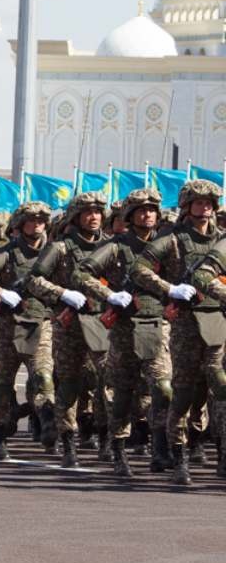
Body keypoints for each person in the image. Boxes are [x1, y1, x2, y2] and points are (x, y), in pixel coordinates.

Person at [72, 189, 167, 477]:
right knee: (121, 394)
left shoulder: (168, 245)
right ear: (129, 215)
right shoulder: (116, 247)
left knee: (163, 389)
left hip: (158, 326)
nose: (147, 214)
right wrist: (109, 295)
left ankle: (161, 446)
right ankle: (119, 449)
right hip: (125, 328)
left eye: (152, 209)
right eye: (140, 210)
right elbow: (82, 273)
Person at [137, 179, 226, 485]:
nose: (205, 209)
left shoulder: (221, 241)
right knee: (184, 392)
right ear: (187, 206)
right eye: (199, 203)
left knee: (220, 387)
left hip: (216, 321)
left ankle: (221, 454)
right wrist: (170, 288)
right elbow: (139, 269)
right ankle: (179, 454)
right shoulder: (172, 239)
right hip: (186, 324)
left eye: (209, 204)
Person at [25, 192, 111, 468]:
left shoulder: (111, 246)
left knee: (108, 382)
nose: (94, 216)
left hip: (102, 323)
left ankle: (107, 436)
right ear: (75, 217)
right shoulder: (60, 248)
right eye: (87, 212)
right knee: (69, 384)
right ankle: (68, 440)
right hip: (69, 323)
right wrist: (62, 294)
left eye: (98, 211)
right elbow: (34, 280)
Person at [0, 202, 56, 460]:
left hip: (41, 324)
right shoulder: (6, 253)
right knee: (3, 384)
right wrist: (0, 292)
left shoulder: (53, 253)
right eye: (31, 220)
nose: (37, 224)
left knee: (43, 376)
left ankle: (49, 422)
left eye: (41, 220)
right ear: (19, 224)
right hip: (9, 326)